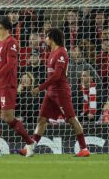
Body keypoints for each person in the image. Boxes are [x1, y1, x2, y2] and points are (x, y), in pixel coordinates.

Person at [28, 28, 90, 157]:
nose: (44, 39)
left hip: (60, 91)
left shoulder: (61, 53)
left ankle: (84, 148)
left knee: (72, 120)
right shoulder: (52, 52)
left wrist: (40, 87)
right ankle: (31, 148)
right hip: (51, 92)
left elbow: (57, 76)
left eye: (46, 37)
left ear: (51, 38)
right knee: (42, 119)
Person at [0, 16, 35, 158]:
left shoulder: (11, 42)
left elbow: (11, 64)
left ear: (1, 27)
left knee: (8, 118)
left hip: (7, 85)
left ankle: (30, 142)